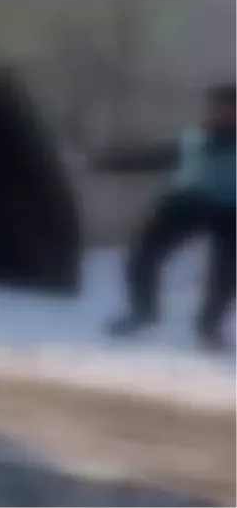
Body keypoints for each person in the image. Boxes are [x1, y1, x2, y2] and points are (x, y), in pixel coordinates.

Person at [95, 84, 237, 351]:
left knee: (226, 273)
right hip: (187, 202)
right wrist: (110, 163)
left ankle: (210, 328)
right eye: (216, 107)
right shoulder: (200, 138)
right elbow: (157, 157)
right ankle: (143, 312)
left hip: (231, 212)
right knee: (143, 256)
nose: (219, 113)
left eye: (227, 108)